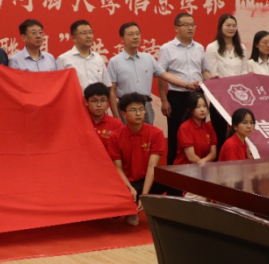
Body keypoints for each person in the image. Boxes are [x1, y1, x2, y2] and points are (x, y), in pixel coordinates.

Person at [108, 22, 196, 124]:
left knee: (148, 133)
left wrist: (187, 84)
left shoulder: (148, 58)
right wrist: (116, 116)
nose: (135, 37)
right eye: (131, 34)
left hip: (145, 105)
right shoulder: (115, 61)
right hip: (126, 106)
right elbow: (111, 91)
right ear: (122, 39)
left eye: (137, 33)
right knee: (126, 134)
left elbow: (166, 75)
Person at [157, 13, 212, 166]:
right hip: (177, 97)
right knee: (176, 136)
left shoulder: (199, 47)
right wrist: (164, 100)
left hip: (197, 96)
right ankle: (172, 175)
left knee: (198, 135)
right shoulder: (167, 49)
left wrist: (211, 79)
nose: (190, 28)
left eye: (192, 25)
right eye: (186, 25)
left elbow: (204, 71)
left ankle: (199, 169)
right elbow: (160, 75)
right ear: (176, 28)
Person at [107, 93, 169, 226]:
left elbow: (152, 167)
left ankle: (165, 212)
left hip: (147, 178)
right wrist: (129, 188)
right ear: (124, 114)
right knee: (113, 211)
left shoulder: (156, 133)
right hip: (126, 181)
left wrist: (144, 195)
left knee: (171, 179)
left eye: (141, 109)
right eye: (133, 110)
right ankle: (130, 206)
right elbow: (118, 168)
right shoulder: (115, 136)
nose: (138, 113)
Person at [204, 14, 248, 150]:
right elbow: (212, 75)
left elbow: (244, 73)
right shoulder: (212, 47)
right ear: (220, 27)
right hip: (220, 97)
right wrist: (218, 99)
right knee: (220, 134)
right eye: (228, 25)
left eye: (234, 25)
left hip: (238, 97)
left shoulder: (241, 48)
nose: (231, 28)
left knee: (239, 133)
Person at [57, 20, 111, 91]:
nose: (88, 36)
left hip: (97, 98)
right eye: (84, 33)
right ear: (74, 38)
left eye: (90, 32)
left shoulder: (98, 58)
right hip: (74, 98)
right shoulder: (63, 59)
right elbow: (59, 87)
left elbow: (107, 85)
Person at [172, 93, 217, 166]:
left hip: (203, 167)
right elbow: (191, 157)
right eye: (198, 107)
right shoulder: (185, 127)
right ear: (190, 109)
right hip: (184, 168)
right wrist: (203, 166)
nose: (202, 110)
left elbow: (213, 154)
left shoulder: (209, 127)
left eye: (204, 106)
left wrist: (204, 162)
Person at [84, 82, 124, 148]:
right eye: (94, 101)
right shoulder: (80, 124)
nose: (99, 105)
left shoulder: (116, 124)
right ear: (86, 102)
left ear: (107, 102)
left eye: (102, 100)